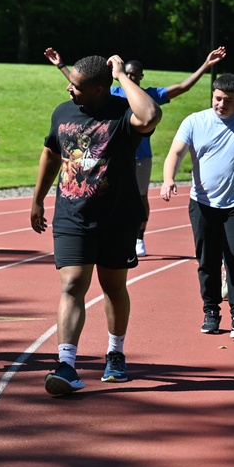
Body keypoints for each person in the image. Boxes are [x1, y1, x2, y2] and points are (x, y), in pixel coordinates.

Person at [31, 55, 162, 395]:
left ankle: (115, 353)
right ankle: (66, 364)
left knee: (113, 286)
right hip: (71, 215)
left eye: (76, 85)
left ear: (100, 89)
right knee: (72, 284)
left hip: (117, 218)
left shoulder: (124, 114)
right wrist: (37, 199)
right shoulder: (62, 112)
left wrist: (121, 74)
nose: (68, 88)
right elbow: (51, 154)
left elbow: (150, 114)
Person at [44, 46, 226, 257]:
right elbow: (85, 85)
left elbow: (182, 87)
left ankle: (139, 236)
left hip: (140, 157)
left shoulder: (147, 96)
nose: (130, 77)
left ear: (141, 76)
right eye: (126, 73)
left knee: (140, 196)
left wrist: (205, 65)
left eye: (133, 75)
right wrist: (61, 66)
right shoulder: (113, 93)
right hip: (110, 158)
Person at [161, 74, 234, 338]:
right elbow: (176, 152)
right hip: (203, 203)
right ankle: (211, 311)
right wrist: (169, 179)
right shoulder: (195, 121)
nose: (221, 104)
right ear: (212, 95)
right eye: (218, 98)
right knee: (208, 261)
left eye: (228, 100)